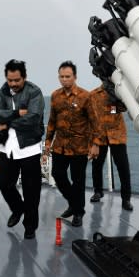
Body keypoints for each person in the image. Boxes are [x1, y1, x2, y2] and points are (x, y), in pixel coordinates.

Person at [0, 59, 45, 239]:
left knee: (31, 191)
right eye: (10, 80)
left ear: (24, 77)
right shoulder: (3, 91)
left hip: (29, 148)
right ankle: (17, 208)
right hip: (9, 148)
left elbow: (34, 118)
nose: (13, 84)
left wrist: (6, 123)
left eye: (17, 80)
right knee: (4, 183)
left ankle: (30, 226)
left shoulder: (34, 92)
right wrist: (14, 114)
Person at [43, 61, 97, 228]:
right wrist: (47, 146)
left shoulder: (85, 96)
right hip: (60, 146)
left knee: (78, 181)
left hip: (79, 147)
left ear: (75, 77)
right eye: (62, 77)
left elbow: (95, 122)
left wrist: (95, 144)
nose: (64, 80)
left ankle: (78, 213)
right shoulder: (55, 96)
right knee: (58, 175)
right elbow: (52, 122)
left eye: (68, 77)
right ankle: (74, 204)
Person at [89, 84, 133, 211]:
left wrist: (116, 99)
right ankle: (98, 191)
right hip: (99, 135)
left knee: (123, 167)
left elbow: (121, 109)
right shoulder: (93, 95)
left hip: (116, 134)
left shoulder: (119, 92)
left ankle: (126, 199)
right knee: (96, 165)